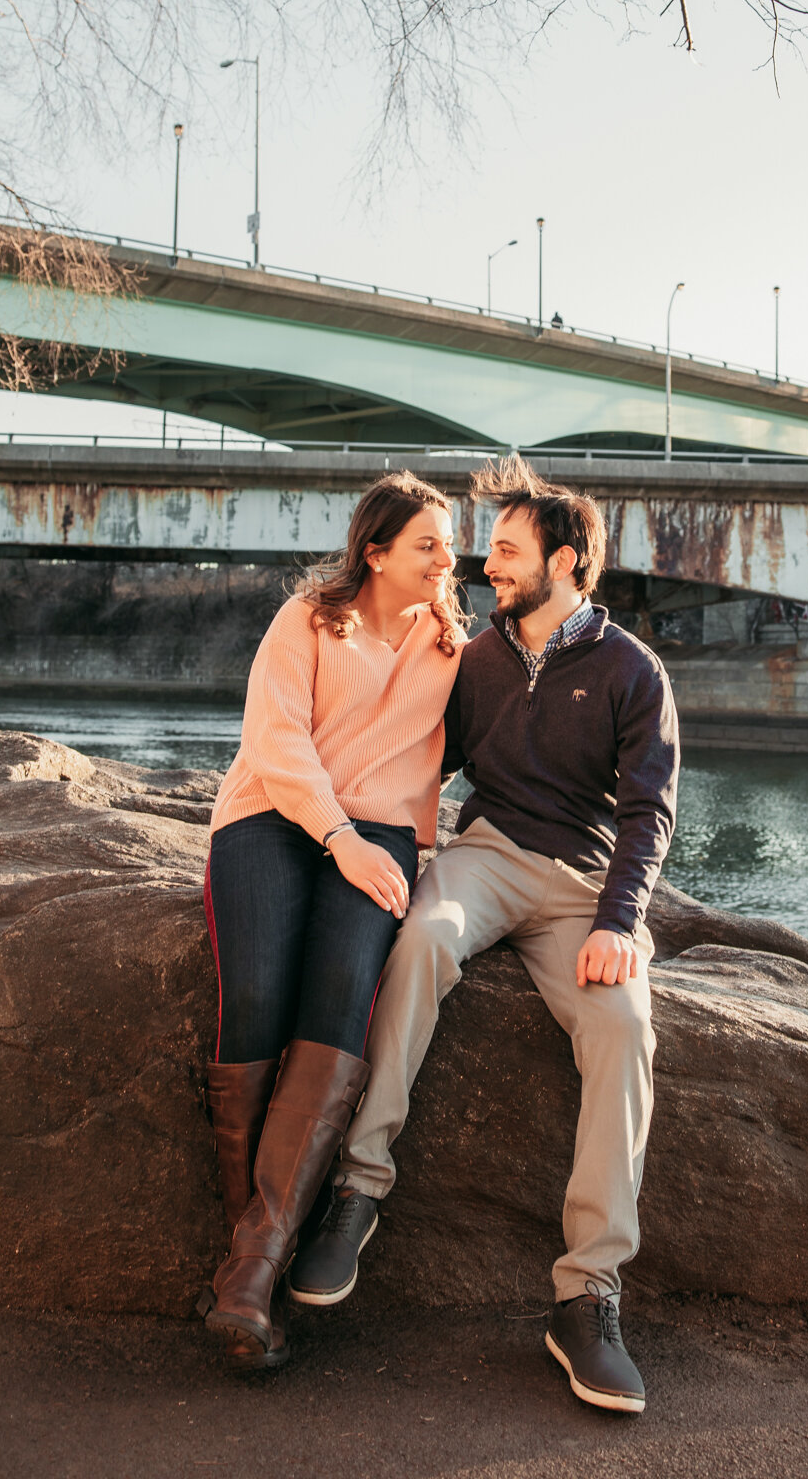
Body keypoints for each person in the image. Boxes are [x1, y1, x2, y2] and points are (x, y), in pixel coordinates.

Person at [289, 456, 680, 1414]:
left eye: (506, 550)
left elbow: (649, 814)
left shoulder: (632, 669)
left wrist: (621, 921)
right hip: (487, 851)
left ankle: (585, 1297)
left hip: (582, 886)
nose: (485, 564)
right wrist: (325, 826)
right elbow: (411, 747)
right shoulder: (475, 655)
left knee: (625, 1031)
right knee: (420, 940)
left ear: (569, 560)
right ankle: (359, 1191)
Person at [201, 471, 466, 1369]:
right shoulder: (307, 620)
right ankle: (251, 1261)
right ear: (376, 551)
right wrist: (341, 836)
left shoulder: (454, 645)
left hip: (382, 835)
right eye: (428, 543)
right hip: (270, 816)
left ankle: (252, 1272)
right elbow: (274, 742)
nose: (447, 559)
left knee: (341, 997)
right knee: (259, 999)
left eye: (451, 545)